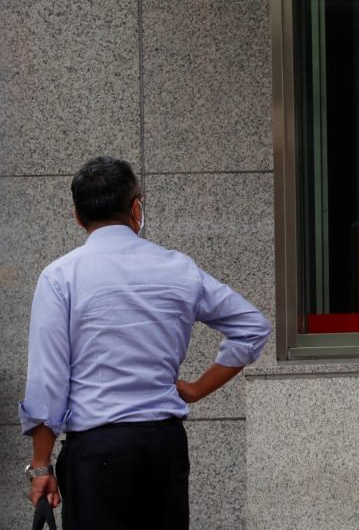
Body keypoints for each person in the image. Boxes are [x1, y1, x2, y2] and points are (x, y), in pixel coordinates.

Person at [19, 156, 272, 529]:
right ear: (136, 207)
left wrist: (41, 465)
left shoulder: (60, 277)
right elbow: (252, 325)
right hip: (162, 444)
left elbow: (47, 379)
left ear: (77, 217)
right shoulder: (178, 268)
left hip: (95, 449)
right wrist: (198, 388)